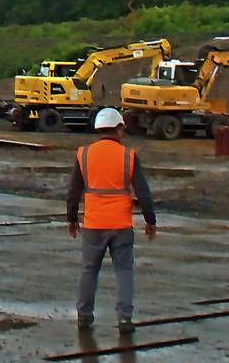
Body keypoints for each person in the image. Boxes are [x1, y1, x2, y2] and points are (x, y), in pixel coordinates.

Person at [65, 107, 157, 331]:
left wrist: (72, 219)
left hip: (94, 223)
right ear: (118, 129)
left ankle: (84, 316)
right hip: (121, 224)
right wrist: (150, 220)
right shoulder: (129, 155)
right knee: (124, 271)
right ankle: (125, 318)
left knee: (89, 270)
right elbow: (143, 192)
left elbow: (73, 190)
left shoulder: (84, 154)